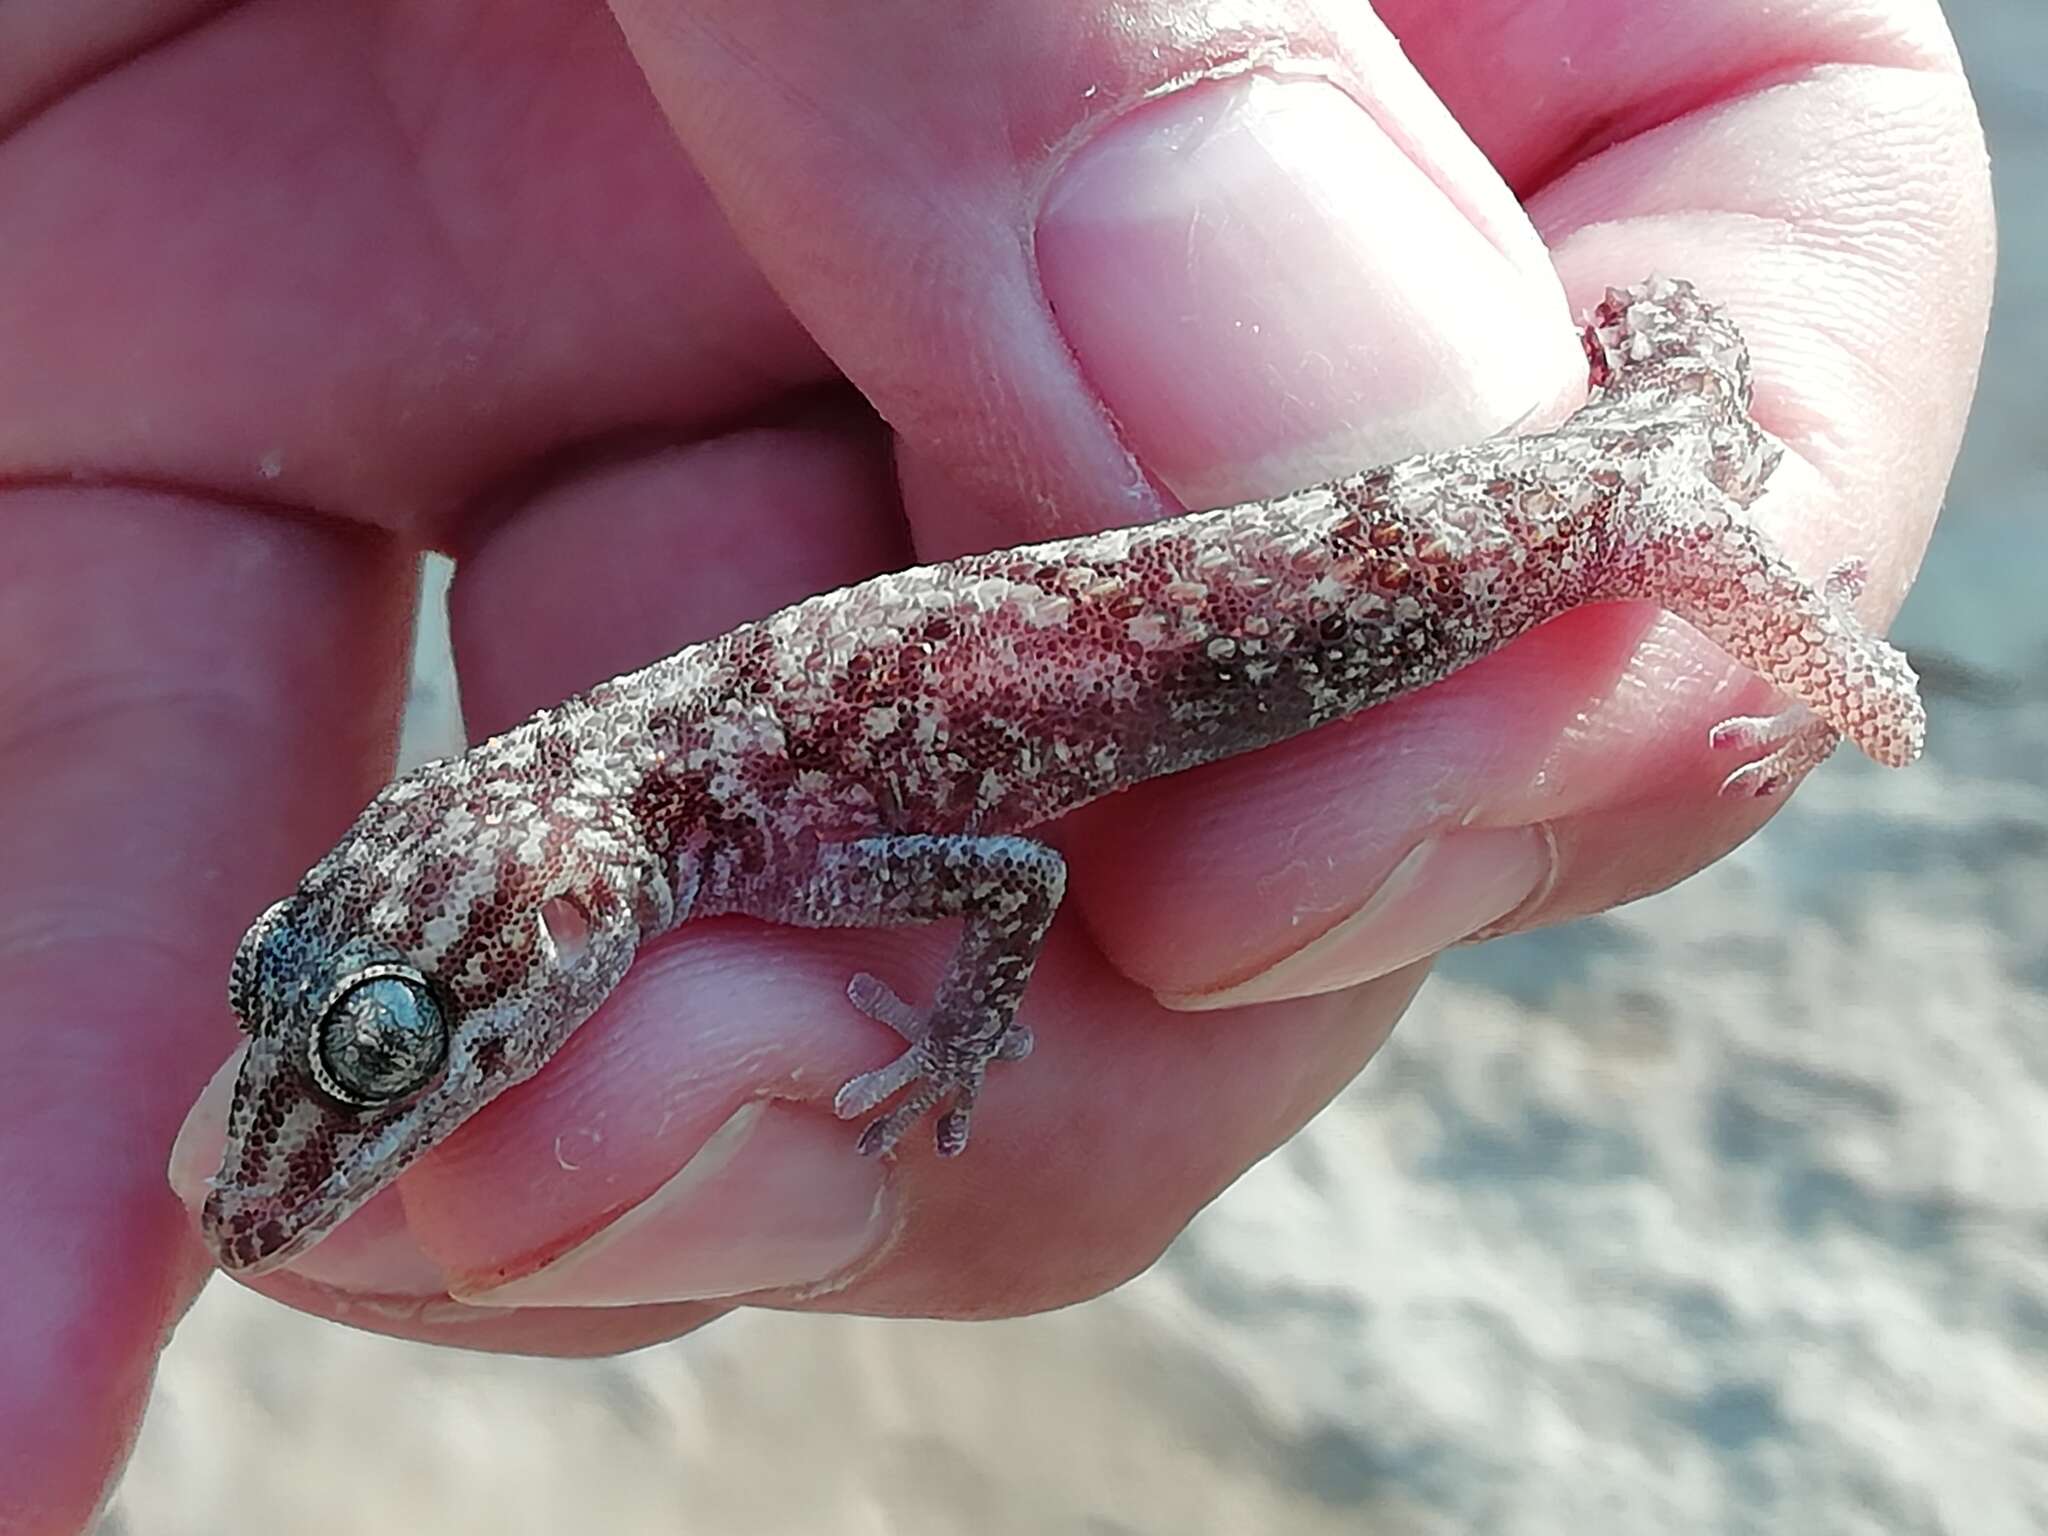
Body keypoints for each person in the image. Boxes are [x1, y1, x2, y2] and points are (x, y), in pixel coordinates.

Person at [0, 1, 1991, 1528]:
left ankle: (1702, 527)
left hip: (1426, 537)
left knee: (1654, 576)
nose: (314, 1130)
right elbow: (1016, 870)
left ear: (561, 916)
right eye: (337, 1026)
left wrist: (959, 1040)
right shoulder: (658, 805)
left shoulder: (736, 840)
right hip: (1371, 535)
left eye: (381, 1054)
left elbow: (1019, 884)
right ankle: (1683, 506)